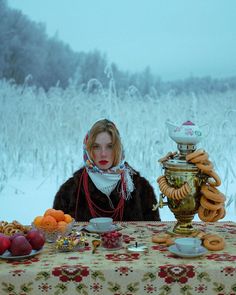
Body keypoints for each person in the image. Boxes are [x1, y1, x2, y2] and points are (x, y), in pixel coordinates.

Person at [53, 119, 160, 221]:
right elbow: (56, 231)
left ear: (118, 149)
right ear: (88, 149)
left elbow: (154, 234)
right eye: (96, 147)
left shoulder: (140, 187)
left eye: (110, 146)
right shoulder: (70, 190)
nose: (103, 154)